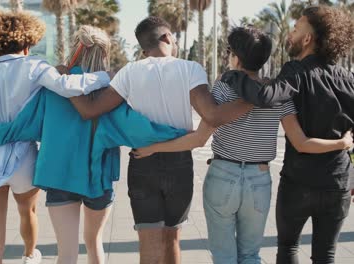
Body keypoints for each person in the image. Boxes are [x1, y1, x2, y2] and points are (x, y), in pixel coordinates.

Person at [132, 25, 353, 264]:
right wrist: (341, 142)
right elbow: (301, 141)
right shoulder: (277, 94)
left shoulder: (224, 87)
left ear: (236, 57)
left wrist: (154, 148)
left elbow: (199, 139)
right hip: (259, 180)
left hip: (223, 176)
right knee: (250, 255)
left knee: (224, 257)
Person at [66, 17, 253, 264]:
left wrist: (66, 80)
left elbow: (90, 111)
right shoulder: (190, 68)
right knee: (172, 238)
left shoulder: (129, 71)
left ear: (144, 50)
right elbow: (212, 115)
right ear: (166, 37)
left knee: (149, 242)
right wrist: (257, 98)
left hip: (143, 160)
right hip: (179, 162)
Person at [0, 12, 112, 264]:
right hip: (24, 158)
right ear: (29, 40)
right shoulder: (35, 66)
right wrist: (105, 76)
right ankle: (30, 255)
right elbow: (67, 86)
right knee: (27, 212)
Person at [220, 6, 354, 264]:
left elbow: (264, 96)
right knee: (326, 255)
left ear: (307, 39)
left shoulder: (297, 71)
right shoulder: (347, 79)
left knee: (289, 248)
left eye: (295, 29)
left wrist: (233, 74)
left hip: (299, 182)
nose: (289, 34)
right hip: (337, 183)